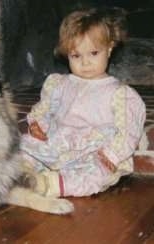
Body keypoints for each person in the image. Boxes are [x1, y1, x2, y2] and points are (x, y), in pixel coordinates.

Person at [20, 7, 146, 197]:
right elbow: (45, 109)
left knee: (96, 173)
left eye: (93, 53)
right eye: (76, 56)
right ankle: (23, 171)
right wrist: (37, 124)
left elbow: (129, 130)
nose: (85, 63)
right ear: (67, 54)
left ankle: (52, 184)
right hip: (57, 140)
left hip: (94, 150)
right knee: (25, 147)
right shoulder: (59, 83)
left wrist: (113, 154)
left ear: (109, 48)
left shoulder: (119, 94)